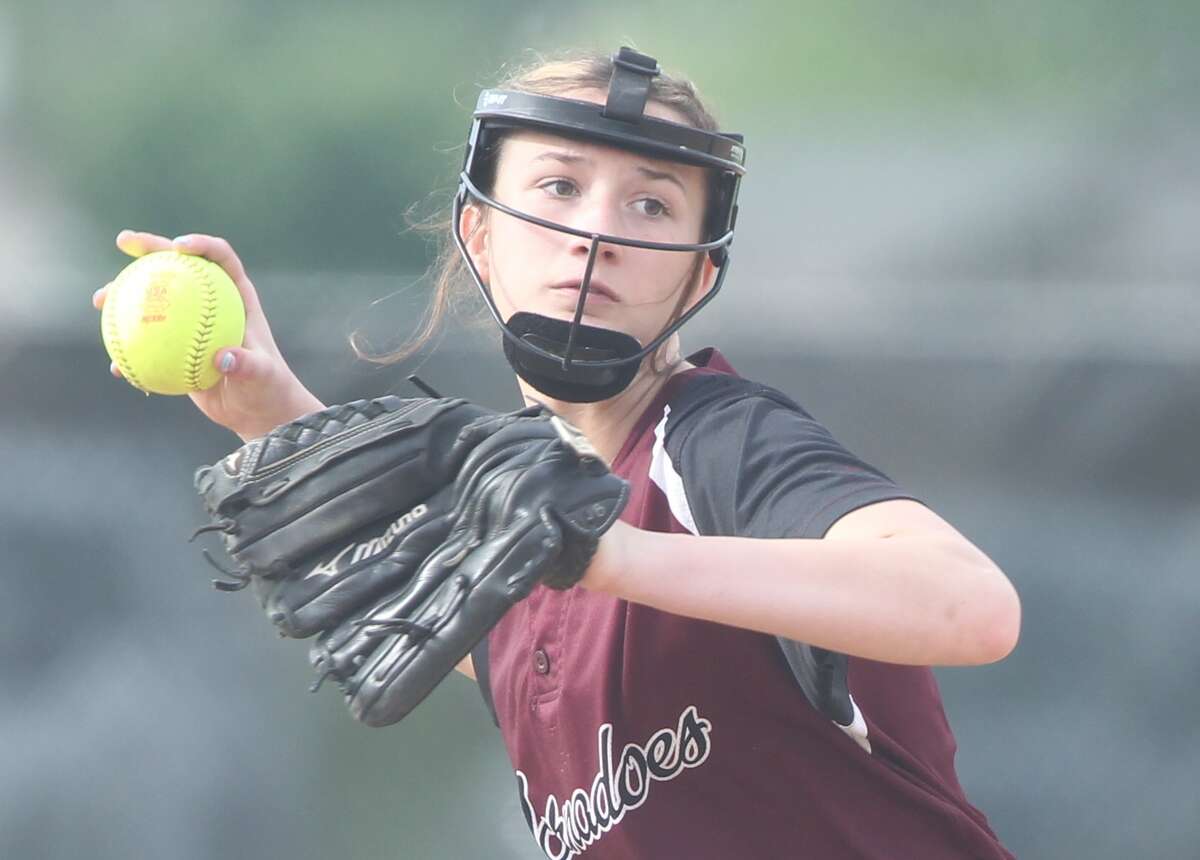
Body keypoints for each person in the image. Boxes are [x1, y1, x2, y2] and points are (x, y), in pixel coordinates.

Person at [94, 47, 1020, 860]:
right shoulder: (536, 530)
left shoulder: (711, 442)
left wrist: (612, 555)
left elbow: (972, 607)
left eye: (652, 203)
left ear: (699, 272)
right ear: (480, 235)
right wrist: (275, 414)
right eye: (558, 186)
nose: (596, 233)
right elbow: (470, 592)